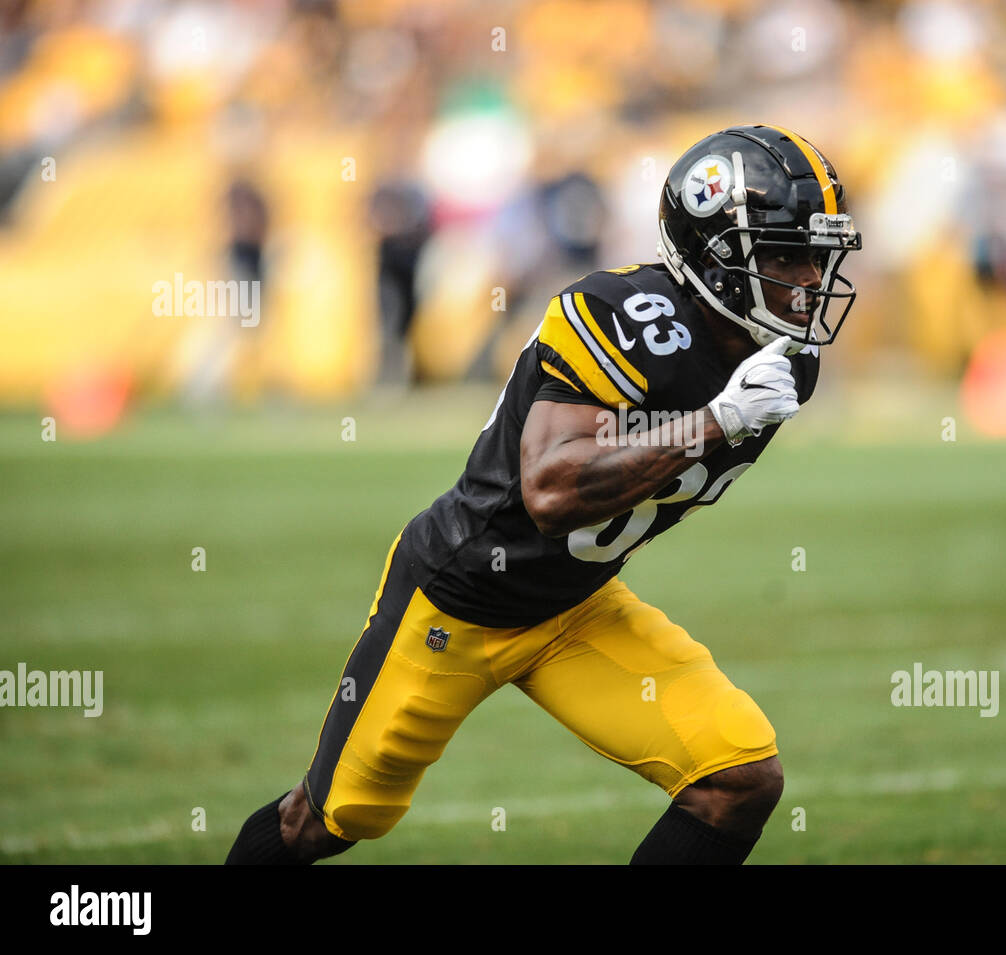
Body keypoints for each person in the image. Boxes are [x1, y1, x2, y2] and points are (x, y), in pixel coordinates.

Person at [226, 124, 862, 865]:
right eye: (788, 256)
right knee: (323, 820)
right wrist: (715, 421)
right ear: (714, 257)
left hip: (578, 603)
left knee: (738, 777)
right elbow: (553, 491)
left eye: (818, 257)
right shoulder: (621, 316)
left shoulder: (786, 364)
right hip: (459, 599)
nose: (812, 281)